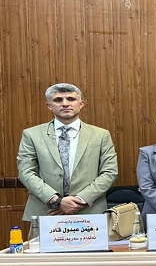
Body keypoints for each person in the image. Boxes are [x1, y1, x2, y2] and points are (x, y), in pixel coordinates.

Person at [17, 83, 118, 220]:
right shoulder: (32, 135)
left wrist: (79, 200)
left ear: (81, 104)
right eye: (58, 100)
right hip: (46, 211)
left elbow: (109, 172)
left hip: (89, 210)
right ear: (49, 105)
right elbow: (26, 172)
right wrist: (57, 201)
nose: (65, 104)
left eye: (71, 99)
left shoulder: (101, 135)